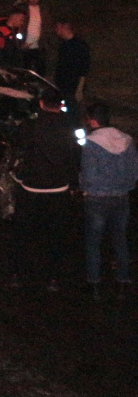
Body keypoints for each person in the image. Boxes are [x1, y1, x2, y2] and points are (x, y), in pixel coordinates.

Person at [9, 89, 78, 291]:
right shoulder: (69, 127)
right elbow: (75, 155)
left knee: (24, 233)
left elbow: (17, 144)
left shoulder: (30, 126)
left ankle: (18, 275)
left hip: (32, 188)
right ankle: (53, 278)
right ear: (60, 104)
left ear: (41, 103)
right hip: (58, 189)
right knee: (56, 235)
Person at [80, 103, 138, 301]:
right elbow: (134, 173)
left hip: (96, 198)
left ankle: (94, 283)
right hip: (121, 197)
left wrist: (84, 187)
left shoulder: (91, 143)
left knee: (94, 242)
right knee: (120, 239)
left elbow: (88, 175)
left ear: (92, 120)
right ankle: (123, 280)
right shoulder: (127, 140)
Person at [54, 20, 90, 114]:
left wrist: (79, 89)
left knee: (74, 112)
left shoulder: (80, 45)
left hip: (73, 87)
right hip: (62, 87)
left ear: (64, 27)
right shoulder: (63, 45)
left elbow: (84, 68)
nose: (57, 31)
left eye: (58, 28)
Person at [15, 0, 46, 73]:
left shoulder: (43, 9)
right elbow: (14, 7)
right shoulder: (24, 9)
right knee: (25, 70)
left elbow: (46, 26)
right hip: (26, 45)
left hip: (39, 46)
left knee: (40, 70)